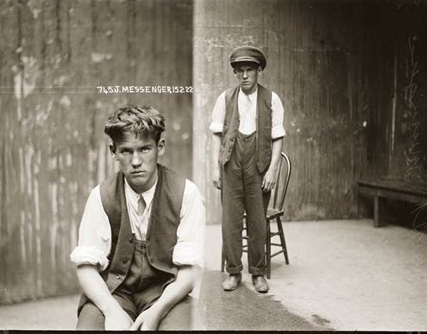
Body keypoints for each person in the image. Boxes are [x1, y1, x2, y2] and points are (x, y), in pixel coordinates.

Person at [70, 105, 205, 330]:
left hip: (166, 292)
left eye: (144, 149)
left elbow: (190, 271)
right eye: (126, 151)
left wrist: (156, 313)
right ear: (113, 151)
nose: (135, 161)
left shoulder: (186, 193)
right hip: (115, 292)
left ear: (159, 147)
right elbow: (85, 268)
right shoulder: (101, 196)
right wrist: (112, 311)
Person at [210, 46, 286, 293]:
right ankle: (233, 272)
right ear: (235, 73)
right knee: (231, 220)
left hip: (259, 165)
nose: (244, 75)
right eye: (239, 71)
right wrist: (215, 168)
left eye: (249, 70)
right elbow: (216, 136)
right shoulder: (225, 98)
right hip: (231, 163)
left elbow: (277, 137)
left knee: (257, 220)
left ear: (259, 71)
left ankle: (257, 273)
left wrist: (273, 168)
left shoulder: (272, 99)